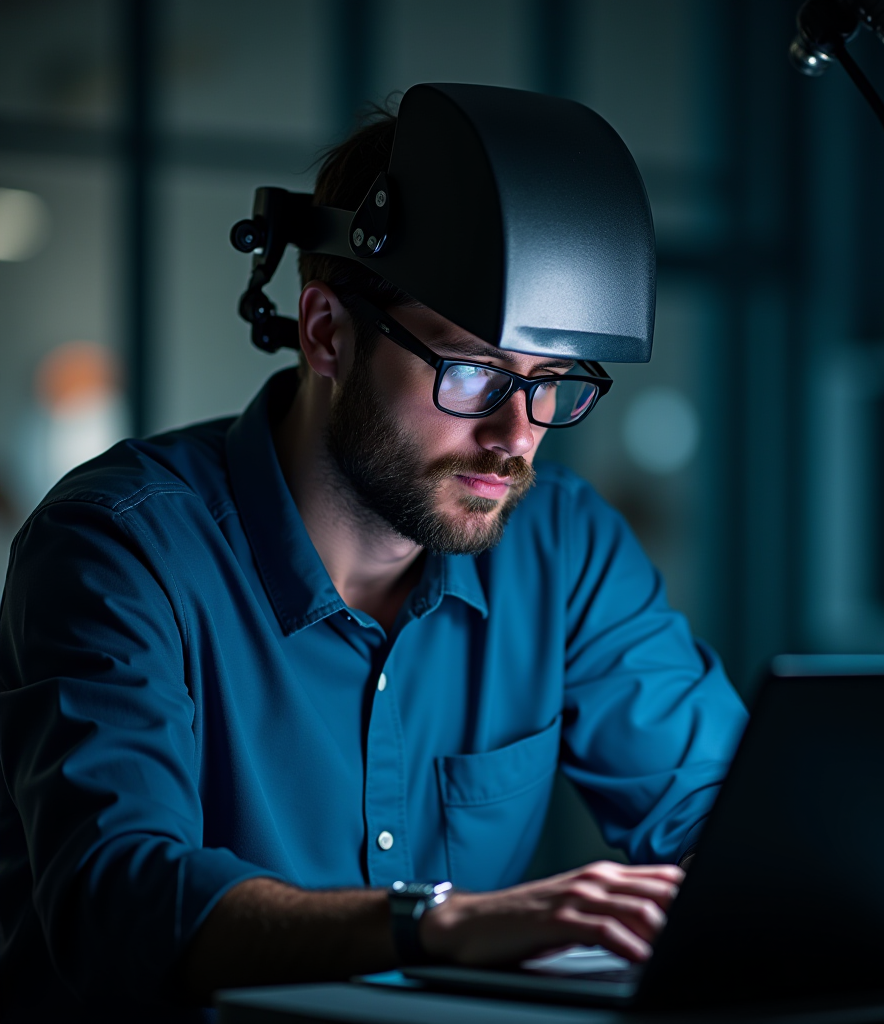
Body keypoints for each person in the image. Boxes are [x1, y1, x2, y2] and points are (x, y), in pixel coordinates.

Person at [0, 107, 747, 1021]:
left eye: (553, 382)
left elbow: (725, 820)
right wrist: (432, 924)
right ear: (325, 332)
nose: (517, 437)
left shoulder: (567, 548)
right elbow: (117, 897)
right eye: (472, 372)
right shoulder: (119, 548)